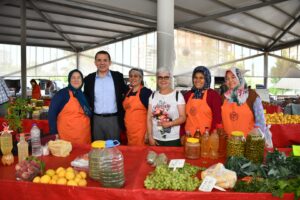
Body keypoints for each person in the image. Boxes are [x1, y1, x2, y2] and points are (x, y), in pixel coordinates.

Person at [84, 50, 127, 141]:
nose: (102, 63)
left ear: (109, 62)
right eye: (99, 60)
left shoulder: (118, 77)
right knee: (97, 149)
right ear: (95, 62)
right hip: (96, 120)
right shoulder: (89, 79)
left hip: (114, 120)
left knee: (114, 149)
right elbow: (86, 98)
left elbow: (127, 92)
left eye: (105, 60)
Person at [48, 69, 92, 145]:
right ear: (69, 79)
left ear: (82, 80)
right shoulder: (62, 94)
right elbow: (52, 113)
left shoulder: (84, 96)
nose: (76, 80)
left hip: (84, 135)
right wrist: (54, 132)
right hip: (67, 136)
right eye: (73, 78)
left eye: (78, 78)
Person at [222, 67, 267, 136]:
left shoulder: (251, 96)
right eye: (227, 79)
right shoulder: (224, 97)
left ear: (239, 78)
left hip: (248, 143)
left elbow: (261, 122)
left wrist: (258, 140)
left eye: (233, 77)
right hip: (229, 143)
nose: (230, 80)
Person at [147, 68, 186, 146]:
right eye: (160, 77)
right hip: (156, 138)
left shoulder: (177, 95)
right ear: (157, 79)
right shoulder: (153, 96)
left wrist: (170, 123)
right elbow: (149, 118)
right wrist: (150, 136)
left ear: (170, 79)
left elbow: (183, 117)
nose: (163, 80)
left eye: (166, 77)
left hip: (173, 139)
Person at [184, 66, 222, 136]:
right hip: (188, 137)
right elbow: (183, 117)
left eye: (201, 78)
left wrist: (211, 136)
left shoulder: (213, 95)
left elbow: (217, 119)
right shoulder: (187, 95)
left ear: (207, 79)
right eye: (195, 77)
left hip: (206, 138)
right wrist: (182, 135)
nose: (197, 80)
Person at [123, 68, 152, 146]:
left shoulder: (145, 92)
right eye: (131, 76)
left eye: (136, 76)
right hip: (130, 130)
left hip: (141, 131)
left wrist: (148, 133)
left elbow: (151, 114)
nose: (133, 78)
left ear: (141, 78)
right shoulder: (128, 91)